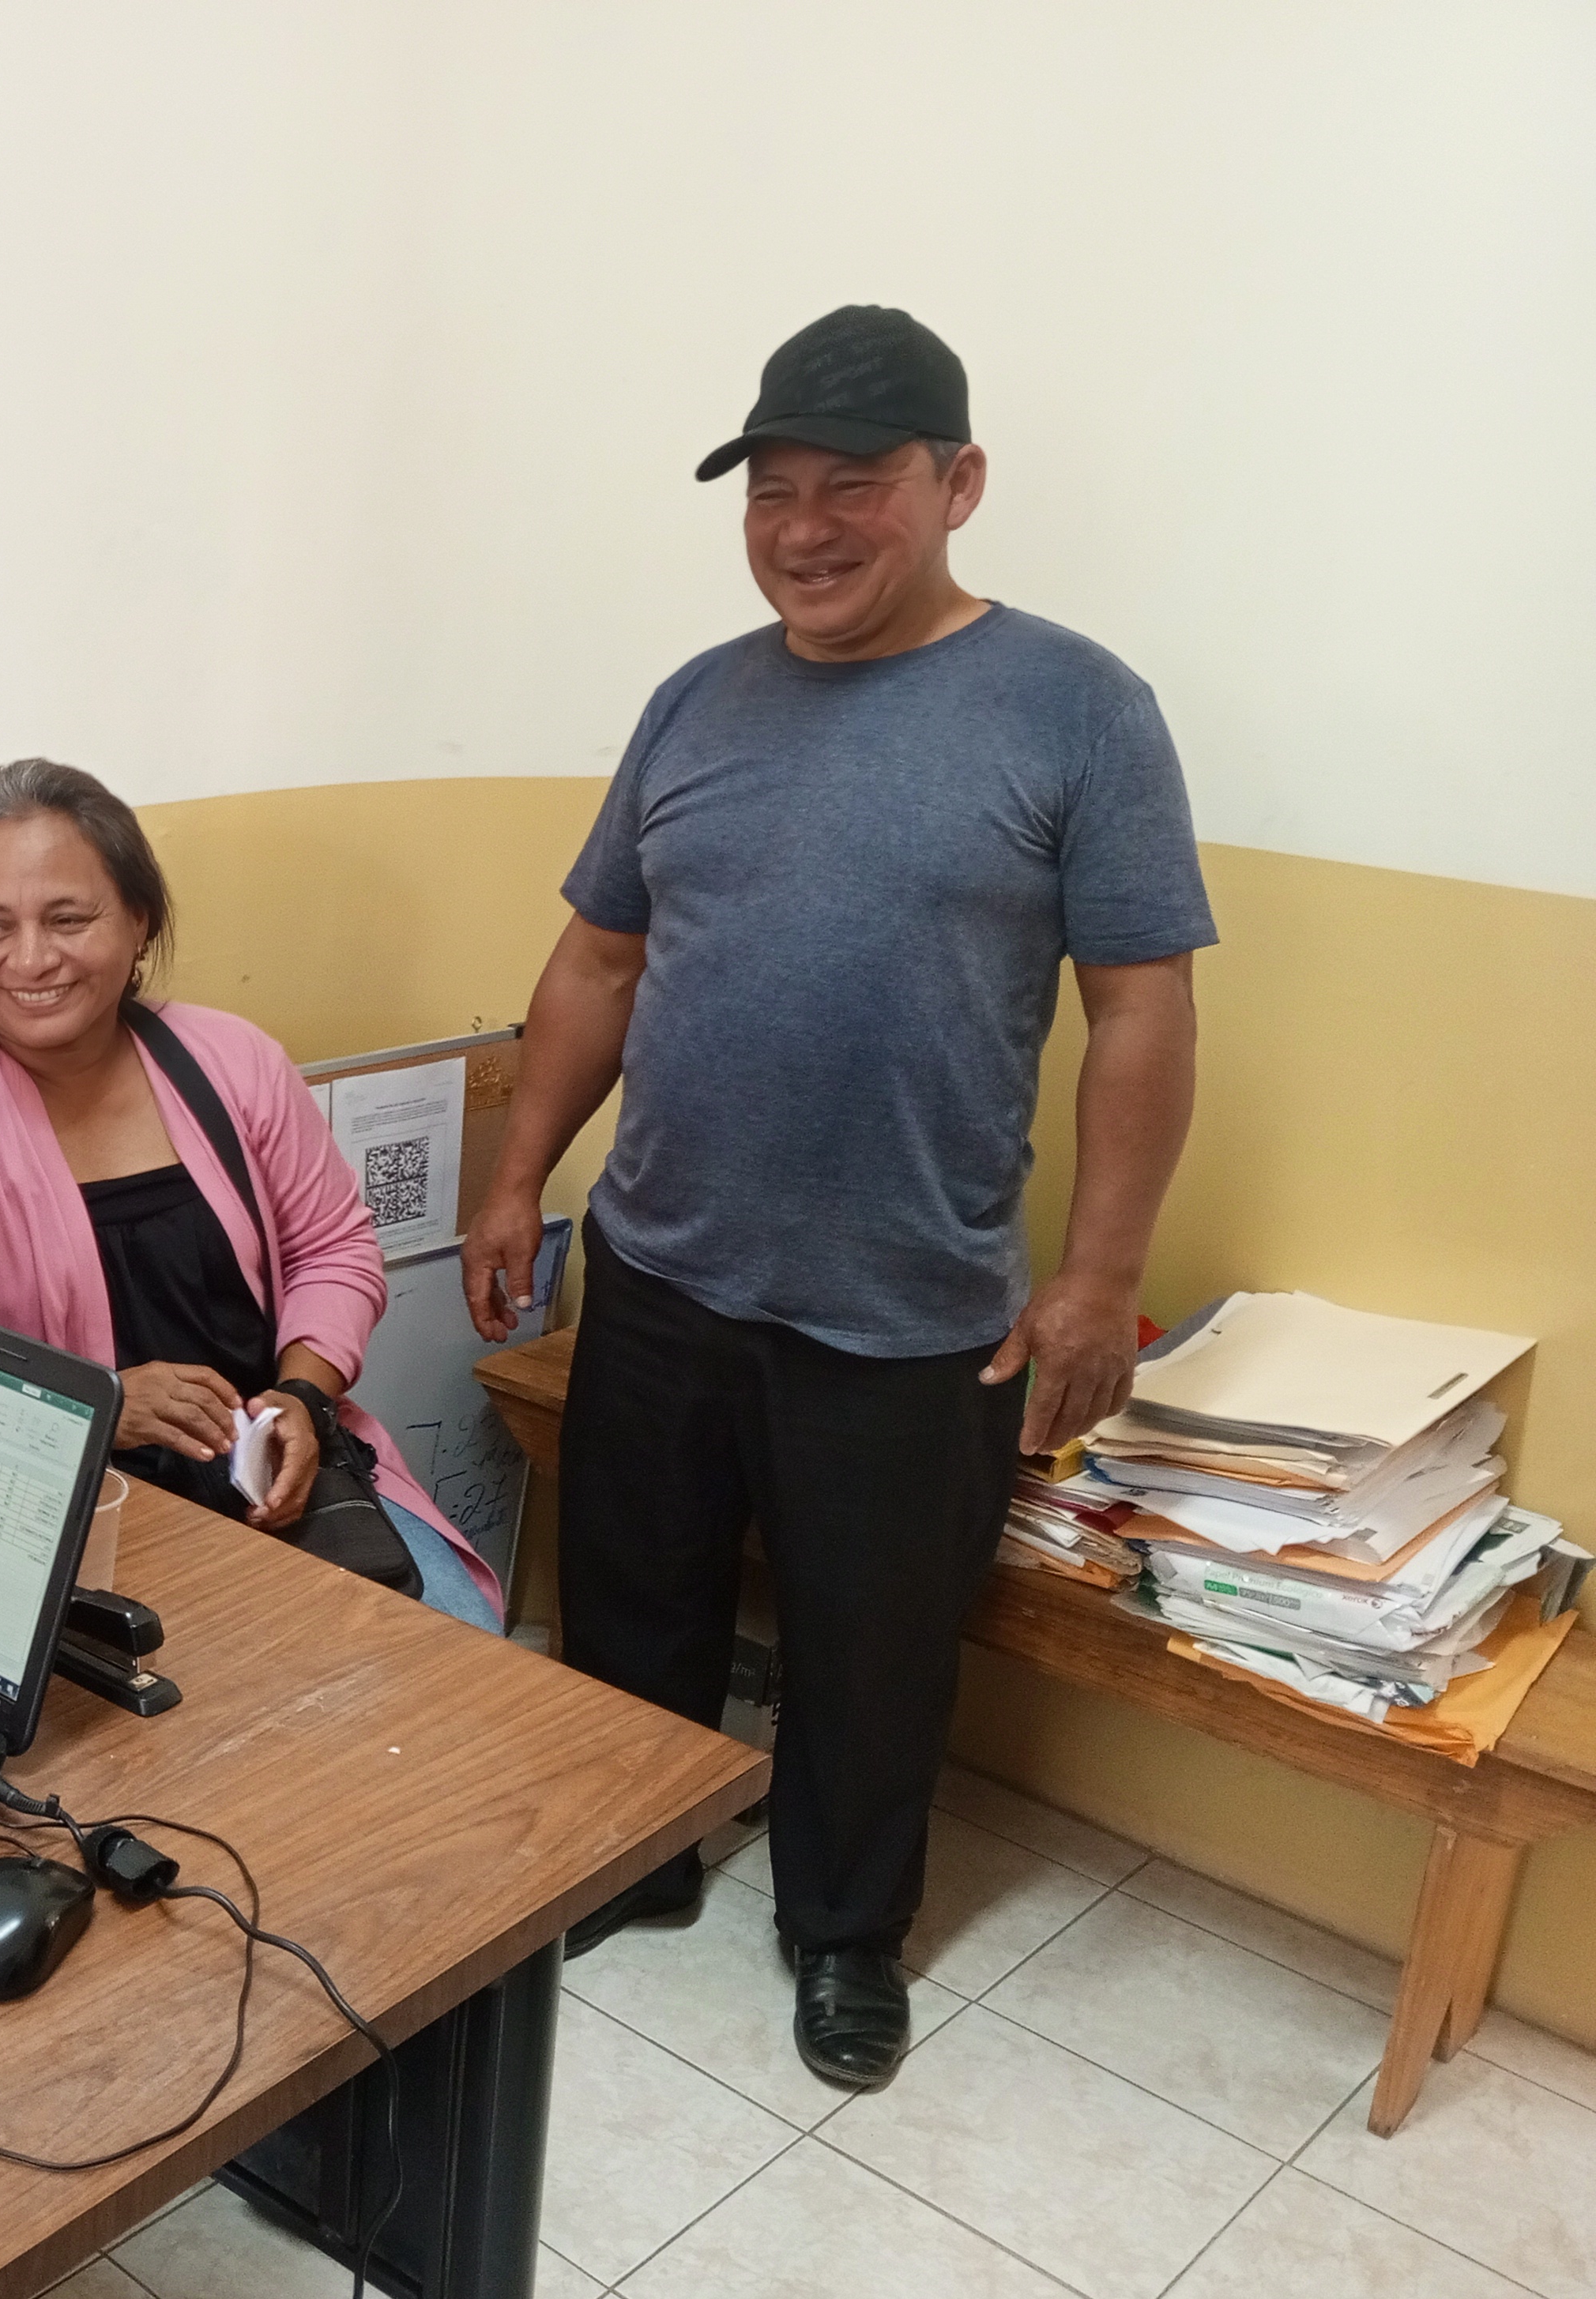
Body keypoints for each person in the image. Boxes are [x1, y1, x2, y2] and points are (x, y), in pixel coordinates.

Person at [461, 306, 1211, 2090]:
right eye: (769, 491)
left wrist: (1093, 1277)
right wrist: (517, 1175)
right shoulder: (693, 699)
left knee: (872, 1652)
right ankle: (637, 1848)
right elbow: (595, 959)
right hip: (660, 1267)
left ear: (955, 484)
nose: (802, 528)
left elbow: (1140, 1010)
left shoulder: (1078, 708)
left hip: (908, 1307)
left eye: (851, 484)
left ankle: (845, 1929)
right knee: (631, 1593)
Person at [0, 758, 502, 1627]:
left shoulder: (234, 1061)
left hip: (267, 1477)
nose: (31, 959)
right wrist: (90, 1405)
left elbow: (332, 1248)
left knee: (459, 1646)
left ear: (138, 920)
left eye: (68, 919)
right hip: (40, 1499)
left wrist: (303, 1399)